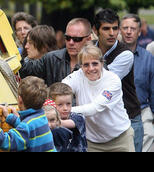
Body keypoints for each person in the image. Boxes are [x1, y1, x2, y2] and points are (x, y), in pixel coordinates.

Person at [62, 44, 134, 152]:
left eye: (95, 63)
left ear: (102, 63)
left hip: (120, 139)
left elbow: (94, 108)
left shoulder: (113, 80)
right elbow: (59, 90)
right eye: (86, 65)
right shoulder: (76, 76)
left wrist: (65, 111)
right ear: (80, 66)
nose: (91, 69)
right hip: (92, 142)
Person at [93, 8, 142, 152]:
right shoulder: (89, 50)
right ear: (95, 30)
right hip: (101, 122)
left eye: (115, 28)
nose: (112, 33)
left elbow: (102, 81)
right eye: (106, 29)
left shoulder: (125, 54)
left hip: (129, 119)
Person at [0, 76, 56, 152]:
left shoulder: (26, 126)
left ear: (20, 100)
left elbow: (7, 142)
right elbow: (29, 130)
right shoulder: (41, 117)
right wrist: (10, 117)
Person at [19, 18, 92, 86]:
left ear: (88, 39)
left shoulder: (97, 63)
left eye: (76, 39)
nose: (71, 42)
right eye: (67, 38)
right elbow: (24, 70)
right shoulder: (51, 58)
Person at [120, 14, 154, 152]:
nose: (129, 31)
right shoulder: (110, 56)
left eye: (133, 28)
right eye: (125, 28)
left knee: (149, 134)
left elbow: (153, 90)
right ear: (120, 30)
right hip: (118, 112)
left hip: (142, 109)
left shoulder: (147, 58)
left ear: (139, 32)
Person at [48, 82, 87, 152]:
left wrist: (48, 121)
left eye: (68, 104)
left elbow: (71, 123)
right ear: (51, 104)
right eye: (60, 105)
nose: (65, 108)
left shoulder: (79, 117)